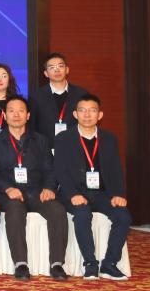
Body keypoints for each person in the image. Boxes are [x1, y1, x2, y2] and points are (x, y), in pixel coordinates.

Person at [0, 96, 69, 281]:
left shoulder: (40, 140)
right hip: (8, 194)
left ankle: (57, 263)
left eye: (21, 111)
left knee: (57, 210)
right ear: (4, 115)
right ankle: (20, 263)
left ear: (28, 115)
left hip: (37, 192)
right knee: (15, 209)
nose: (16, 115)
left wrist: (49, 188)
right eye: (11, 111)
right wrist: (8, 188)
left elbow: (50, 169)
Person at [54, 94, 131, 280]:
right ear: (75, 114)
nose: (87, 115)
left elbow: (116, 169)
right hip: (76, 193)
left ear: (100, 115)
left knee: (123, 216)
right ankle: (90, 263)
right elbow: (60, 170)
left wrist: (118, 194)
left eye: (92, 110)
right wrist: (72, 194)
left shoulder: (109, 138)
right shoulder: (64, 138)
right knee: (82, 214)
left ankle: (109, 264)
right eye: (82, 110)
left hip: (103, 194)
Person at [30, 53, 89, 145]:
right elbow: (32, 126)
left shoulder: (81, 94)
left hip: (75, 146)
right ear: (46, 73)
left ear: (67, 70)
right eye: (52, 67)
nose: (57, 70)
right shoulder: (36, 96)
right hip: (45, 148)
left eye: (60, 66)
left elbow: (87, 122)